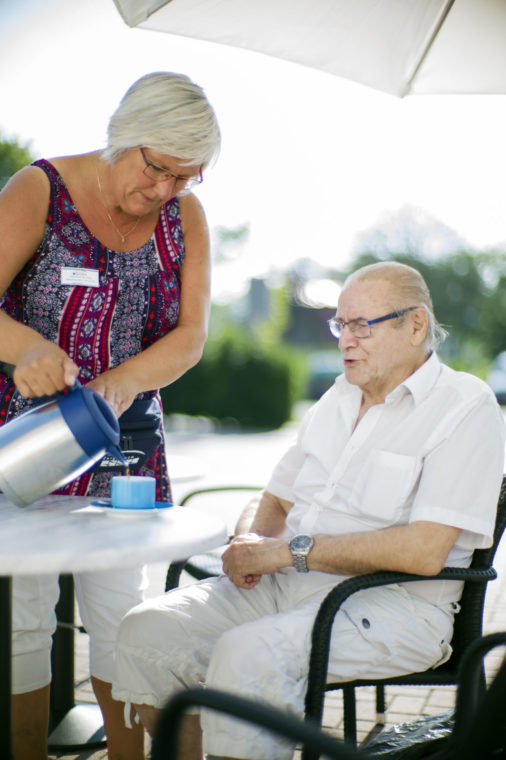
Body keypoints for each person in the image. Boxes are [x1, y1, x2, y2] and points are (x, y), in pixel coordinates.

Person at [112, 261, 506, 760]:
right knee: (147, 627)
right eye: (341, 325)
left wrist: (285, 552)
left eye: (363, 325)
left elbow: (426, 551)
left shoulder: (464, 405)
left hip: (392, 607)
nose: (345, 340)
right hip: (286, 585)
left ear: (416, 325)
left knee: (247, 654)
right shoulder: (337, 397)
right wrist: (252, 543)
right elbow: (274, 497)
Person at [0, 71, 220, 760]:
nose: (165, 192)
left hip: (126, 440)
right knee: (23, 619)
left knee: (124, 618)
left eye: (186, 178)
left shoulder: (184, 218)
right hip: (25, 436)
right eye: (157, 169)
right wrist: (29, 348)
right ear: (125, 136)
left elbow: (190, 337)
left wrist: (119, 387)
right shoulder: (38, 189)